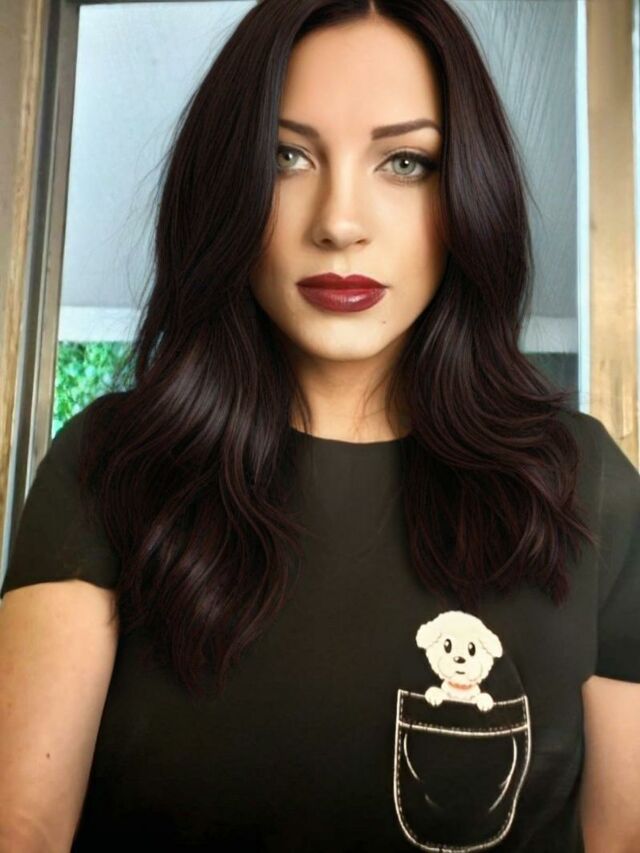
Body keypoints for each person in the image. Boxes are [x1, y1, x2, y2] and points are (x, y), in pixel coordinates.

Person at [1, 0, 639, 850]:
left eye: (405, 162)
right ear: (226, 184)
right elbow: (23, 825)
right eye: (287, 156)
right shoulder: (109, 465)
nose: (339, 222)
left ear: (470, 191)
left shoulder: (586, 485)